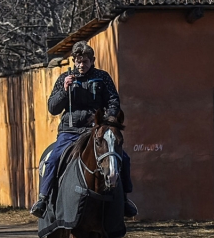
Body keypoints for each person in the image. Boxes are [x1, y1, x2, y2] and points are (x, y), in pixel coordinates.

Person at [30, 41, 137, 218]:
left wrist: (107, 120)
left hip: (95, 130)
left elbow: (113, 101)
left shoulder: (103, 78)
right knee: (54, 158)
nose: (81, 65)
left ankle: (124, 200)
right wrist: (64, 90)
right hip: (70, 131)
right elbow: (53, 108)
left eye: (85, 61)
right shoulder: (64, 79)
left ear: (92, 61)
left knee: (122, 157)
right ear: (74, 61)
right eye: (78, 61)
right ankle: (43, 198)